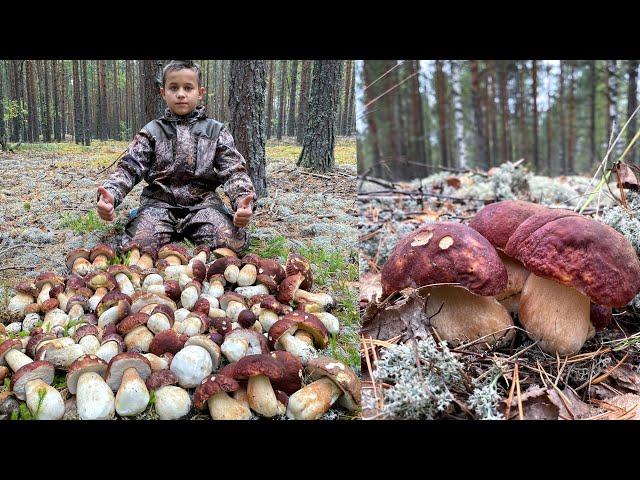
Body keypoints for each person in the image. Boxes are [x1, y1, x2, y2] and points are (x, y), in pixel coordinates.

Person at [96, 60, 256, 257]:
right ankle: (139, 218)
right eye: (174, 88)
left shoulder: (216, 131)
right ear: (163, 93)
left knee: (232, 242)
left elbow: (233, 171)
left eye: (188, 88)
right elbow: (129, 167)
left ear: (200, 92)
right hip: (158, 205)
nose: (181, 94)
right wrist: (111, 195)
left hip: (203, 206)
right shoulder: (151, 131)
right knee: (136, 245)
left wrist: (242, 202)